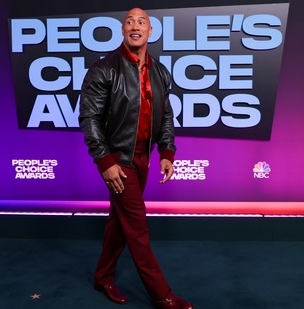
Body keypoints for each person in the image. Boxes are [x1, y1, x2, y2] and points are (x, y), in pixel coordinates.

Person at [78, 7, 193, 309]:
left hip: (144, 157)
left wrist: (167, 151)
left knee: (120, 223)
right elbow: (89, 117)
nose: (135, 26)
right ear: (123, 30)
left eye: (141, 21)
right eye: (129, 21)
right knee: (138, 228)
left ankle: (103, 277)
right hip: (119, 161)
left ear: (150, 31)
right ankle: (161, 295)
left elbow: (165, 114)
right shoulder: (104, 69)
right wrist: (105, 161)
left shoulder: (159, 71)